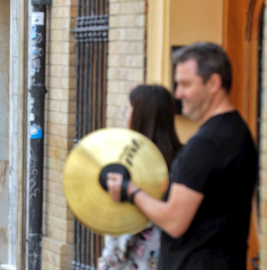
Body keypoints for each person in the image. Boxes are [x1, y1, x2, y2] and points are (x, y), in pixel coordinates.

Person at [106, 42, 257, 270]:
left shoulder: (208, 143)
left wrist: (130, 190)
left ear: (214, 83)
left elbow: (174, 221)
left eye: (186, 84)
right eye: (177, 85)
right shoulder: (236, 130)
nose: (178, 94)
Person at [98, 84, 182, 270]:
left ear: (140, 116)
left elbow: (122, 235)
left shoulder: (134, 170)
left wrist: (105, 263)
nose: (125, 116)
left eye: (127, 110)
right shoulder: (182, 160)